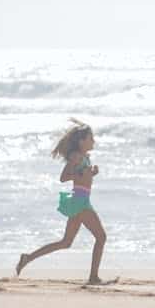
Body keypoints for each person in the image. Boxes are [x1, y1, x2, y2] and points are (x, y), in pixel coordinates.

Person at [15, 119, 112, 284]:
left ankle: (28, 258)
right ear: (82, 141)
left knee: (66, 242)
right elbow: (64, 177)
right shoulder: (76, 157)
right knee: (101, 237)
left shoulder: (85, 157)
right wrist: (81, 173)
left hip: (80, 201)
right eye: (91, 138)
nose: (93, 141)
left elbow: (82, 176)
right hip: (80, 202)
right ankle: (93, 277)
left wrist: (90, 173)